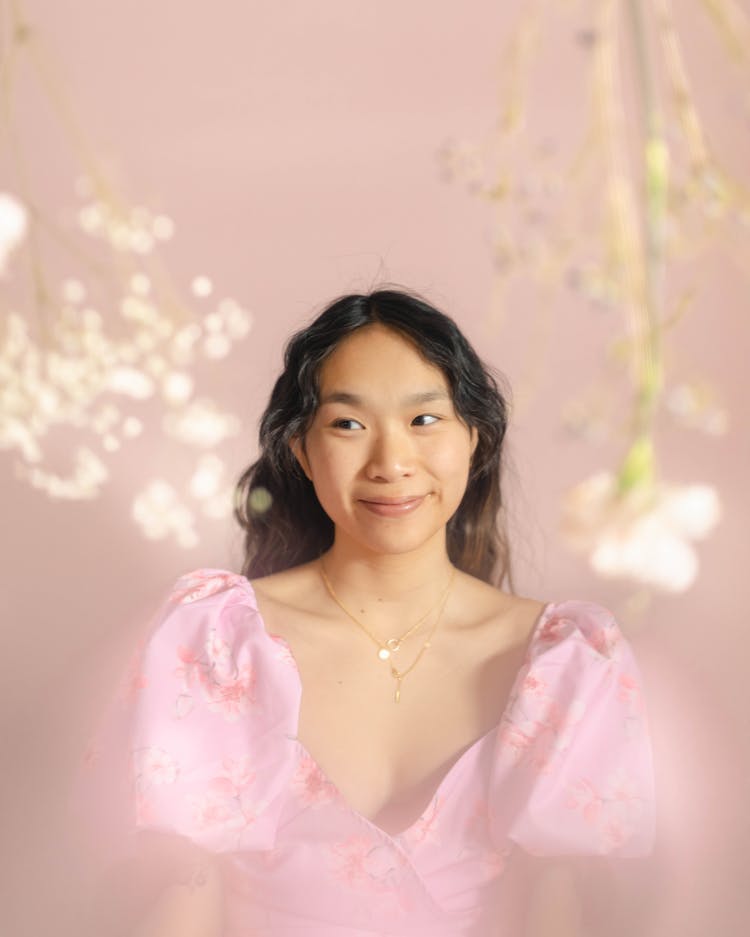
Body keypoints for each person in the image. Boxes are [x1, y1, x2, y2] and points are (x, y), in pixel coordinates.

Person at [89, 289, 654, 936]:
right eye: (349, 424)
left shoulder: (564, 661)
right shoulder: (217, 642)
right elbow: (182, 905)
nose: (391, 463)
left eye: (424, 420)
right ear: (300, 449)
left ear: (475, 437)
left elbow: (562, 918)